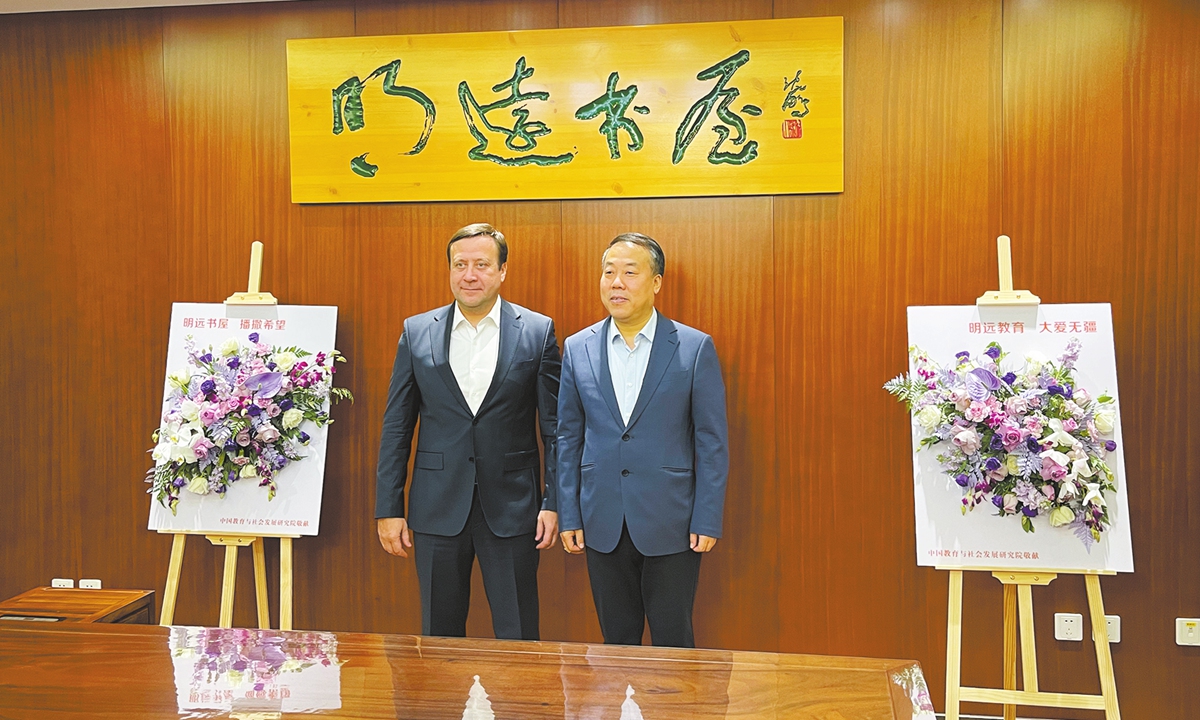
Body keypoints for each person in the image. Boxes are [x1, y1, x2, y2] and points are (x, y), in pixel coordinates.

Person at [376, 223, 561, 640]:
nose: (469, 275)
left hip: (514, 508)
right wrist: (388, 507)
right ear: (449, 270)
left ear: (502, 271)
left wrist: (555, 501)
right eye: (460, 265)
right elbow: (397, 426)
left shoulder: (537, 331)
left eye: (481, 264)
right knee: (439, 637)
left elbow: (555, 429)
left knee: (518, 636)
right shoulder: (417, 331)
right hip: (437, 507)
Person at [556, 232, 729, 648]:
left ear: (656, 283)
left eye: (630, 273)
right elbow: (568, 436)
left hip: (672, 520)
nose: (616, 282)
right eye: (609, 272)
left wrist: (707, 517)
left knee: (673, 638)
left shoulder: (692, 346)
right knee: (616, 641)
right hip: (602, 518)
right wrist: (570, 513)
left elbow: (711, 439)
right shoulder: (578, 347)